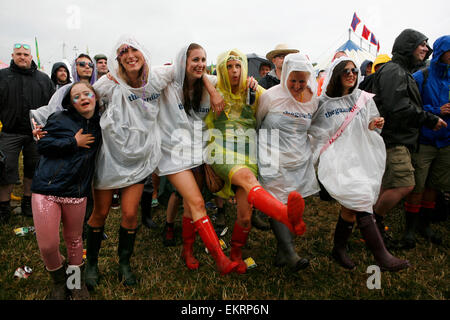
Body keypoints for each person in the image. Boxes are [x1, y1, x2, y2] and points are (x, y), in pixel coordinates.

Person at [204, 49, 306, 274]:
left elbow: (279, 104)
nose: (234, 71)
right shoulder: (214, 85)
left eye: (237, 66)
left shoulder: (255, 90)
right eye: (229, 66)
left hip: (248, 150)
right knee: (249, 179)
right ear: (222, 68)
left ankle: (236, 254)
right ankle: (285, 216)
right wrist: (212, 90)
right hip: (220, 146)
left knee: (245, 217)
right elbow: (196, 70)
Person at [85, 35, 174, 288]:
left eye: (134, 49)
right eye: (123, 52)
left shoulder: (157, 77)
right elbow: (78, 97)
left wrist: (212, 90)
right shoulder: (108, 83)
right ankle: (91, 263)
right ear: (118, 60)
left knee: (130, 213)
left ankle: (124, 263)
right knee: (100, 212)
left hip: (139, 159)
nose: (130, 55)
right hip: (110, 158)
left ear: (143, 53)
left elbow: (189, 67)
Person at [309, 56, 410, 272]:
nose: (351, 74)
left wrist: (376, 123)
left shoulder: (363, 98)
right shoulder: (323, 103)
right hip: (338, 161)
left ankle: (339, 249)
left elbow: (372, 123)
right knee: (361, 201)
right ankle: (382, 256)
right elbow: (316, 133)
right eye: (345, 71)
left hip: (361, 157)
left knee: (351, 207)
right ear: (336, 75)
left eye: (354, 70)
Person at [155, 43, 240, 275]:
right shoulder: (168, 84)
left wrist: (211, 89)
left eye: (203, 59)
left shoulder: (208, 82)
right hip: (173, 156)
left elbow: (232, 80)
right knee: (198, 203)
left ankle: (188, 250)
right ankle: (220, 258)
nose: (200, 64)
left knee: (190, 207)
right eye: (195, 60)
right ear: (183, 61)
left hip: (198, 153)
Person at [372, 29, 447, 248]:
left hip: (399, 138)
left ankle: (373, 230)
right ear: (407, 46)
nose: (425, 48)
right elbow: (397, 107)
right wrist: (429, 118)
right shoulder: (395, 71)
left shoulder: (400, 70)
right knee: (405, 185)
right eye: (420, 44)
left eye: (427, 44)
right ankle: (371, 223)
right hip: (394, 139)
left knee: (390, 186)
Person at [31, 82, 101, 300]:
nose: (83, 98)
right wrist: (73, 142)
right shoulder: (61, 118)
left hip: (77, 192)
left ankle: (75, 284)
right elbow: (43, 145)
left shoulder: (101, 123)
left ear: (96, 97)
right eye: (76, 96)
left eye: (87, 93)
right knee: (49, 245)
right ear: (70, 103)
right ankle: (59, 282)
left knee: (74, 240)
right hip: (47, 189)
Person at [257, 53, 320, 272]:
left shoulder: (312, 99)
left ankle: (281, 252)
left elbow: (315, 126)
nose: (296, 85)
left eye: (301, 81)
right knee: (277, 205)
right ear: (285, 77)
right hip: (271, 154)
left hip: (298, 158)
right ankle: (291, 253)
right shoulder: (271, 96)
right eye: (292, 80)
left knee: (293, 205)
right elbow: (257, 121)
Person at [400, 35, 450, 249]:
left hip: (446, 143)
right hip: (425, 141)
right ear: (441, 52)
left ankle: (425, 225)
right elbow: (409, 108)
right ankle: (410, 229)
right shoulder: (421, 77)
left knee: (434, 185)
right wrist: (436, 111)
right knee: (417, 185)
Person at [0, 43, 55, 223]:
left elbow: (52, 106)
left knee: (34, 168)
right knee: (5, 169)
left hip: (36, 133)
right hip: (9, 132)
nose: (22, 57)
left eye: (25, 54)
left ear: (31, 57)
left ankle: (28, 202)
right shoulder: (3, 76)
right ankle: (4, 207)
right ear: (12, 55)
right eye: (18, 54)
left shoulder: (43, 79)